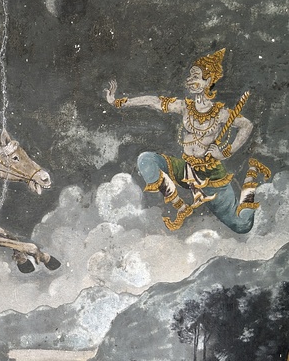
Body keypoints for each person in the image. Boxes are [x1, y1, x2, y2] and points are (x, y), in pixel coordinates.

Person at [105, 48, 270, 232]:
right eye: (190, 76)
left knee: (242, 225)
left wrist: (225, 152)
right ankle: (181, 207)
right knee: (146, 160)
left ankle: (253, 171)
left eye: (196, 77)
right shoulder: (185, 107)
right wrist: (118, 102)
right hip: (187, 169)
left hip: (210, 175)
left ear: (209, 80)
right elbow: (153, 101)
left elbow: (246, 125)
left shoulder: (220, 113)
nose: (190, 80)